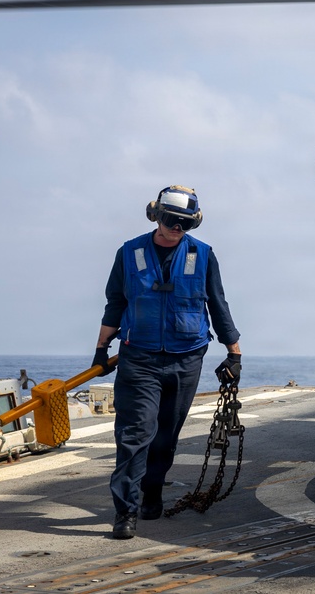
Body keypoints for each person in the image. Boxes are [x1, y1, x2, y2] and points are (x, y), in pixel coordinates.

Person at [93, 185, 241, 539]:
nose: (176, 229)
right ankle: (125, 511)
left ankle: (153, 490)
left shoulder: (204, 255)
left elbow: (217, 305)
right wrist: (102, 346)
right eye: (171, 221)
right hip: (138, 358)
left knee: (165, 437)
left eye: (185, 224)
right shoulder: (129, 253)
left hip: (187, 358)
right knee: (134, 435)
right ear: (156, 216)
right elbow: (115, 302)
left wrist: (234, 352)